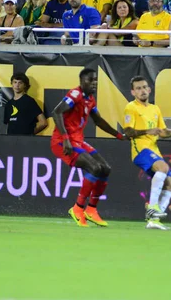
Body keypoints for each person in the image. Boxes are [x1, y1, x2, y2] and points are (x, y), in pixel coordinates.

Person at [51, 68, 126, 227]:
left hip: (78, 140)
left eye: (95, 80)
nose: (94, 83)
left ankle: (91, 209)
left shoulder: (90, 99)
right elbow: (56, 112)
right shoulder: (75, 94)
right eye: (90, 80)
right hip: (62, 141)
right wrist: (65, 139)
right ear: (81, 81)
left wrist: (118, 135)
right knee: (94, 167)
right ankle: (77, 208)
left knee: (105, 168)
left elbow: (98, 121)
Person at [123, 76, 171, 230]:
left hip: (154, 150)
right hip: (141, 149)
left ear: (150, 89)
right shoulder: (131, 107)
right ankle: (152, 206)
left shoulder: (155, 109)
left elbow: (163, 132)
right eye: (138, 88)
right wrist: (148, 131)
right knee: (164, 168)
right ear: (133, 92)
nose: (142, 90)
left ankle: (154, 221)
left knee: (169, 184)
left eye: (144, 87)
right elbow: (127, 131)